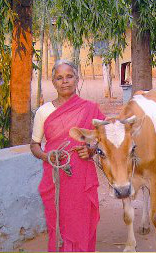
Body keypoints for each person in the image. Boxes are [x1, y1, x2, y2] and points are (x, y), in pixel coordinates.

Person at [30, 60, 105, 252]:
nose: (65, 82)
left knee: (82, 224)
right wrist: (47, 156)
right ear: (53, 82)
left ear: (77, 79)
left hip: (81, 178)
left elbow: (104, 139)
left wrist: (92, 150)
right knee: (58, 226)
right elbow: (35, 145)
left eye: (69, 76)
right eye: (59, 78)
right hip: (55, 179)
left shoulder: (91, 109)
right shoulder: (43, 112)